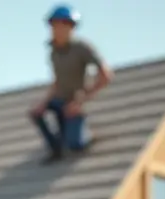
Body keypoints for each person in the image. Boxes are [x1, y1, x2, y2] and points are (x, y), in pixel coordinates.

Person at [29, 4, 113, 163]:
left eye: (61, 25)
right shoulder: (53, 51)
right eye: (53, 25)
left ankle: (81, 135)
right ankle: (56, 150)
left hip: (76, 104)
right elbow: (57, 81)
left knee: (76, 145)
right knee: (37, 114)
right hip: (59, 102)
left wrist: (80, 101)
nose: (56, 29)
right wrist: (43, 104)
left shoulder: (82, 48)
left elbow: (106, 75)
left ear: (71, 27)